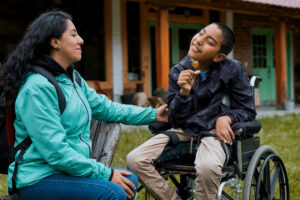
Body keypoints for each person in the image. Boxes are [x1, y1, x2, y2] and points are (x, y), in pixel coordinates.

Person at [0, 10, 168, 200]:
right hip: (38, 178)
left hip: (66, 172)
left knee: (130, 180)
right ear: (55, 42)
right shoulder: (37, 88)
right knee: (114, 192)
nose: (81, 40)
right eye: (73, 35)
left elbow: (106, 109)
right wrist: (106, 174)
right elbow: (56, 153)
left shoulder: (72, 78)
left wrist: (153, 115)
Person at [127, 23, 256, 199]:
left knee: (208, 166)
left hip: (212, 131)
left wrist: (226, 118)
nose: (199, 40)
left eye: (209, 41)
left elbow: (247, 109)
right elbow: (175, 119)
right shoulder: (178, 71)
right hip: (182, 130)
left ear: (219, 56)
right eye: (200, 33)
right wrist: (184, 92)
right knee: (135, 159)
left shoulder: (232, 69)